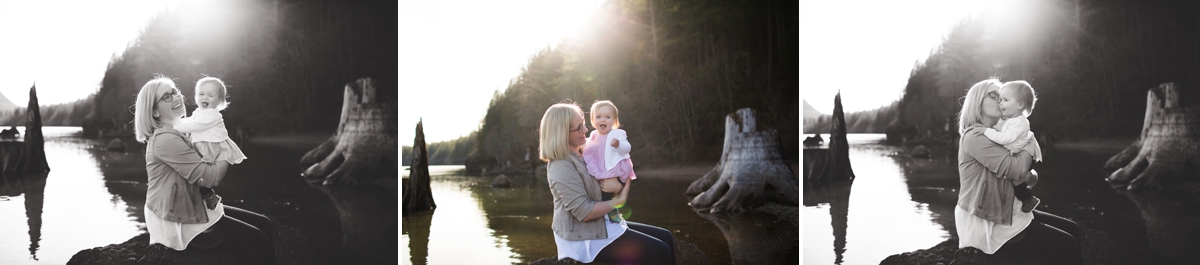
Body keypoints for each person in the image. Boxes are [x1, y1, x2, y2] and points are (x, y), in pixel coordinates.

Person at [133, 76, 274, 264]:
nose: (175, 97)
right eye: (166, 97)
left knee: (265, 224)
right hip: (176, 219)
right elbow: (210, 177)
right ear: (155, 112)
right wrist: (225, 150)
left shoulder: (182, 130)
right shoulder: (165, 139)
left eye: (174, 91)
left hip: (190, 204)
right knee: (258, 240)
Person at [953, 78, 1081, 265]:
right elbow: (1017, 169)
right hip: (986, 221)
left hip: (1006, 210)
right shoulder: (976, 135)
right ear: (977, 101)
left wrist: (1031, 175)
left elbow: (1026, 176)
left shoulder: (1001, 132)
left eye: (1004, 96)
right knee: (1066, 243)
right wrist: (1030, 142)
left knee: (1073, 229)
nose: (1000, 100)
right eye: (994, 95)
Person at [540, 102, 676, 264]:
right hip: (581, 236)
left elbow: (617, 171)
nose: (586, 130)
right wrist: (618, 202)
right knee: (660, 250)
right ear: (562, 133)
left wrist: (618, 186)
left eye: (583, 124)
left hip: (601, 222)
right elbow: (585, 212)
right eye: (579, 128)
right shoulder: (561, 165)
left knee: (666, 236)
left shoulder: (585, 151)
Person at [175, 77, 248, 210]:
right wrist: (177, 122)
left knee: (201, 176)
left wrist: (174, 127)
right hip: (202, 146)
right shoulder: (199, 112)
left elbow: (196, 125)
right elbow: (189, 121)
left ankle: (208, 196)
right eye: (201, 94)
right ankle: (206, 197)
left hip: (211, 146)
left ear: (219, 100)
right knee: (197, 177)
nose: (205, 98)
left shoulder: (213, 114)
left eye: (210, 95)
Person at [983, 80, 1043, 213]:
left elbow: (1005, 138)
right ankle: (1025, 200)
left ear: (1020, 104)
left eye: (1005, 100)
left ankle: (1028, 200)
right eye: (999, 99)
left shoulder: (1019, 122)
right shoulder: (1010, 119)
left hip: (1024, 153)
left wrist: (987, 131)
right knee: (1015, 181)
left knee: (1016, 181)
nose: (1000, 103)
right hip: (1018, 152)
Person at [583, 100, 637, 222]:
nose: (603, 120)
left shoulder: (618, 134)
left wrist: (618, 145)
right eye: (598, 117)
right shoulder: (593, 135)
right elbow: (588, 145)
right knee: (602, 194)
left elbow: (627, 147)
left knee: (608, 193)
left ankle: (612, 213)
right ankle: (606, 214)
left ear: (614, 121)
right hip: (602, 170)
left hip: (616, 169)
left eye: (608, 117)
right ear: (592, 120)